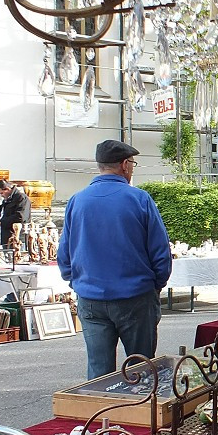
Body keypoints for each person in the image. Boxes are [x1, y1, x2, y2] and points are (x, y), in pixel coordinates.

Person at [58, 140, 172, 379]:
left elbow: (64, 254)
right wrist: (155, 285)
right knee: (141, 371)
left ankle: (101, 416)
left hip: (91, 296)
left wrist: (76, 281)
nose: (132, 169)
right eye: (132, 164)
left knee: (99, 371)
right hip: (135, 296)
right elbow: (160, 252)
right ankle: (138, 416)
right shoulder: (139, 199)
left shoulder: (77, 201)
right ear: (124, 165)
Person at [0, 179, 31, 248]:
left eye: (2, 193)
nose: (2, 196)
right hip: (3, 238)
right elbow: (5, 215)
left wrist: (1, 222)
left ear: (7, 189)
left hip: (16, 238)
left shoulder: (21, 198)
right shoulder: (6, 200)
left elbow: (20, 217)